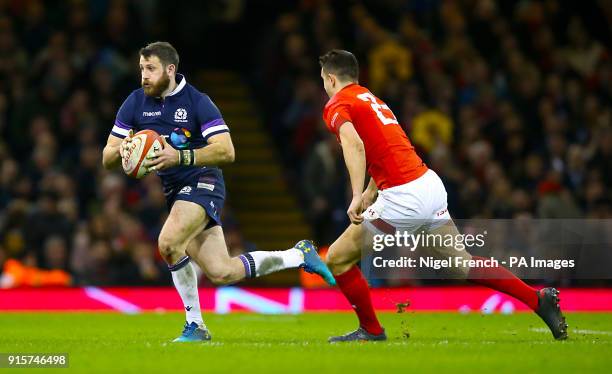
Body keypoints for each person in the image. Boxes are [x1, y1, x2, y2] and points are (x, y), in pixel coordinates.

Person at [318, 49, 567, 342]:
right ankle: (538, 299)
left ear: (331, 79)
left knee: (337, 258)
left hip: (403, 198)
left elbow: (355, 146)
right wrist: (372, 192)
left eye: (324, 80)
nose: (324, 86)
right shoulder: (373, 101)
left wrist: (357, 194)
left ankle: (371, 330)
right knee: (461, 265)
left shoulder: (337, 104)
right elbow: (384, 150)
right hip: (428, 185)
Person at [102, 41, 335, 342]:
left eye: (150, 69)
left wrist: (181, 156)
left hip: (203, 181)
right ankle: (298, 255)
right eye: (141, 69)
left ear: (170, 70)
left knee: (169, 243)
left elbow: (227, 150)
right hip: (175, 190)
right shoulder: (135, 102)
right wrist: (128, 145)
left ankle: (195, 326)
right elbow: (107, 158)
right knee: (222, 271)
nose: (143, 76)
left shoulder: (197, 101)